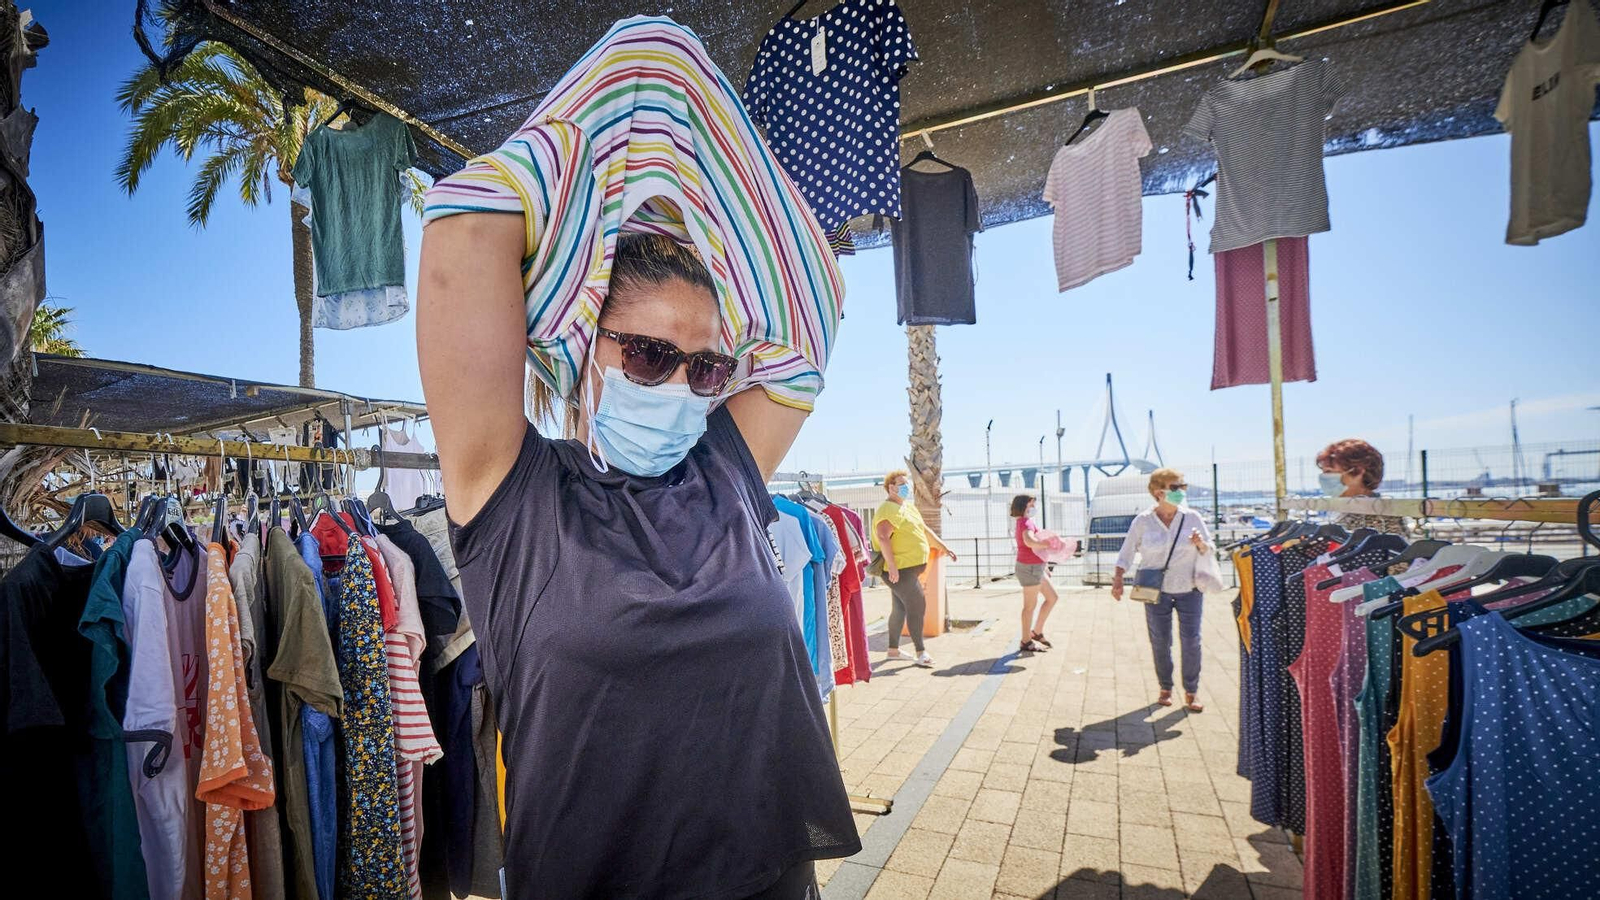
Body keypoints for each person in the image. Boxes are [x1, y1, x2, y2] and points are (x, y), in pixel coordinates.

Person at [416, 20, 859, 897]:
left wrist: (687, 110)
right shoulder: (515, 498)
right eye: (651, 356)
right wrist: (647, 71)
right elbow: (465, 228)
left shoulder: (725, 472)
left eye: (707, 368)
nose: (682, 387)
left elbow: (814, 308)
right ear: (587, 346)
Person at [1111, 468, 1213, 712]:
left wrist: (1200, 544)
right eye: (1176, 487)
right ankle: (1165, 687)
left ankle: (1191, 690)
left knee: (1192, 641)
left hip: (1190, 588)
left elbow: (1209, 549)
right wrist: (1118, 579)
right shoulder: (1143, 521)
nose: (1182, 491)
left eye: (1183, 486)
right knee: (1160, 641)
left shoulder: (1192, 517)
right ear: (1159, 492)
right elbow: (1127, 551)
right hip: (1154, 590)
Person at [872, 470, 956, 668]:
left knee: (899, 608)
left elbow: (924, 530)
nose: (906, 487)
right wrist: (892, 566)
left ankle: (893, 651)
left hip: (909, 569)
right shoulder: (888, 509)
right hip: (899, 570)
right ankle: (921, 652)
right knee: (917, 604)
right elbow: (883, 536)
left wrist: (943, 547)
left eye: (906, 483)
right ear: (891, 488)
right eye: (902, 484)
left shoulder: (907, 507)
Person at [1317, 438, 1409, 534]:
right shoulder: (1346, 508)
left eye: (1329, 472)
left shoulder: (1381, 516)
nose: (1323, 477)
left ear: (1358, 471)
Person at [1009, 494, 1058, 653]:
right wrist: (1046, 544)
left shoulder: (1023, 521)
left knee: (1052, 597)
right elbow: (1029, 541)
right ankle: (1026, 641)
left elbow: (1031, 545)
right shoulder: (1025, 522)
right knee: (1029, 607)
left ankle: (1036, 632)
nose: (1034, 508)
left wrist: (1044, 566)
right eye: (1031, 505)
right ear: (1024, 506)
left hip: (1035, 567)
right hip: (1029, 568)